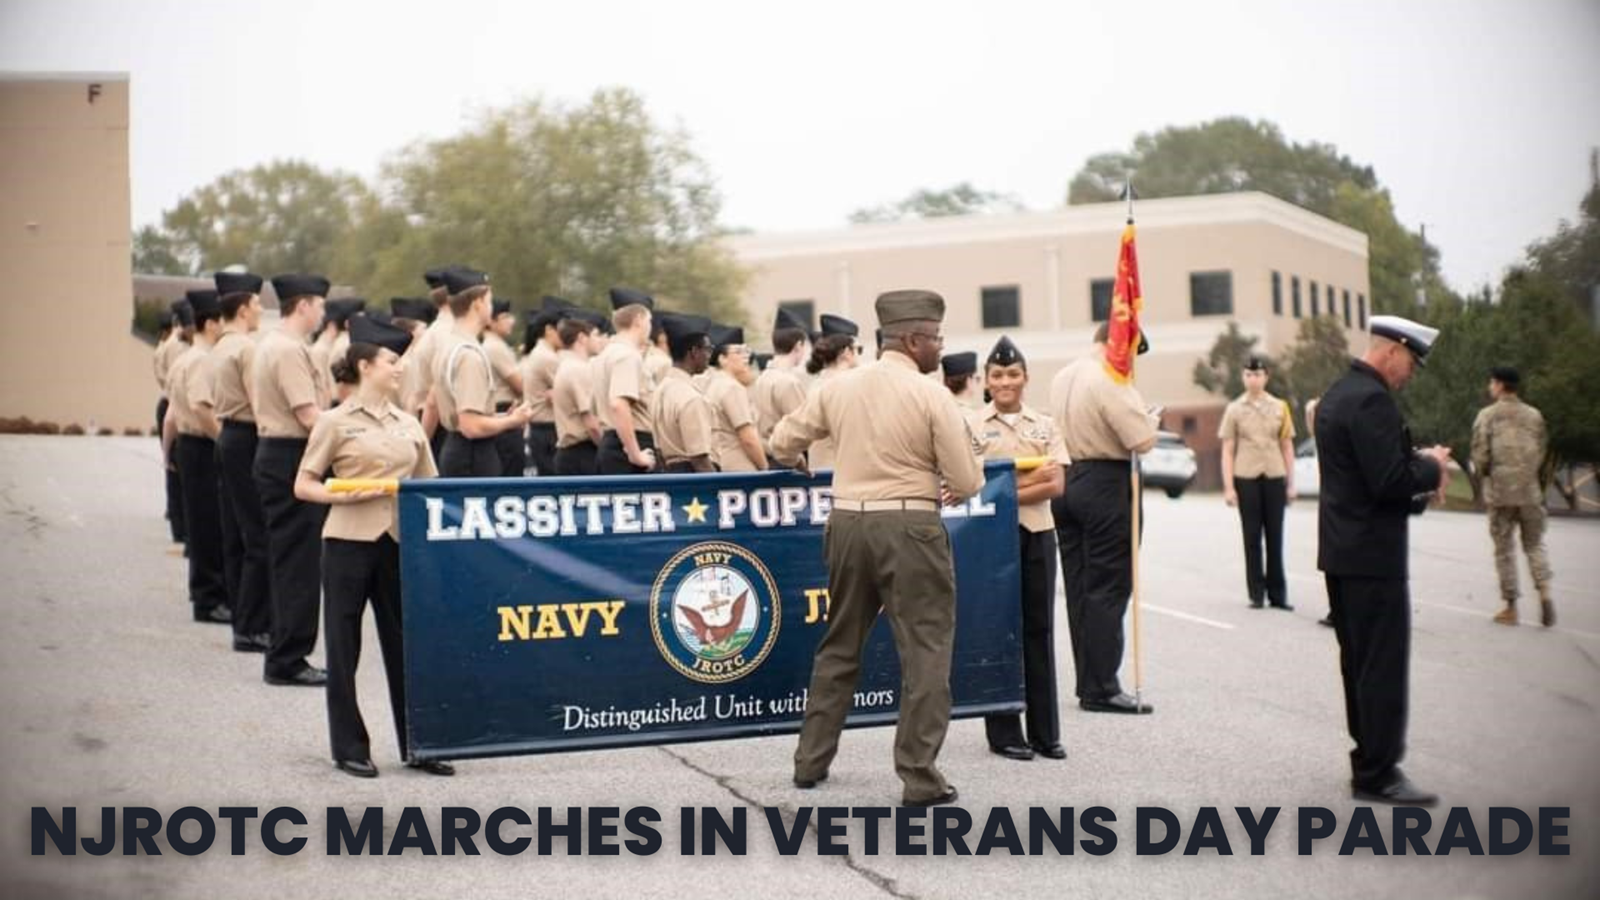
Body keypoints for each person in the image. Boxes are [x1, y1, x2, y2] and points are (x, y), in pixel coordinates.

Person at [771, 289, 984, 808]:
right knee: (926, 651)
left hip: (845, 523)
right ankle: (919, 775)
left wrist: (800, 460)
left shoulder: (839, 387)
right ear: (913, 339)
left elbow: (780, 441)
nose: (940, 348)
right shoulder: (932, 394)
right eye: (936, 339)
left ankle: (809, 762)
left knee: (840, 643)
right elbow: (966, 479)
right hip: (911, 528)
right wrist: (953, 479)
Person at [294, 315, 453, 779]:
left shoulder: (408, 423)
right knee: (344, 649)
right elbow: (304, 484)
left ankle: (421, 744)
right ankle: (349, 747)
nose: (399, 368)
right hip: (347, 543)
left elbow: (429, 486)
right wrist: (343, 492)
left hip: (397, 544)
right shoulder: (334, 422)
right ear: (365, 365)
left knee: (408, 646)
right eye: (391, 360)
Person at [1316, 314, 1451, 806]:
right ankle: (1379, 772)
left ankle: (1367, 759)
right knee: (1382, 666)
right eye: (1410, 362)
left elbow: (1360, 480)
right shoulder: (1371, 400)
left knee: (1360, 665)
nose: (1409, 373)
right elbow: (1388, 478)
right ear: (1392, 349)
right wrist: (1431, 464)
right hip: (1372, 558)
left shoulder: (1337, 394)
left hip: (1344, 552)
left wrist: (1417, 493)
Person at [1049, 324, 1157, 714]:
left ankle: (1088, 680)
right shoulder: (1110, 377)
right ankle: (1102, 686)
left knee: (1079, 588)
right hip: (1106, 482)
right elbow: (1140, 439)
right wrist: (1151, 420)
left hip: (1068, 478)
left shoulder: (1065, 374)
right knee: (1108, 587)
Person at [970, 336, 1069, 762]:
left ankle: (1046, 733)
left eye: (1012, 374)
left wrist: (1005, 488)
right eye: (997, 375)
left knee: (1039, 631)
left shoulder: (1044, 425)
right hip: (991, 542)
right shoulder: (972, 427)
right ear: (986, 382)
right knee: (998, 632)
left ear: (1025, 378)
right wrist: (1027, 483)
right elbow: (972, 487)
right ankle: (1005, 732)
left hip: (1037, 535)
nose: (1005, 381)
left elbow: (1057, 484)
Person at [253, 273, 333, 687]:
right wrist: (349, 432)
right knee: (298, 565)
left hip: (280, 453)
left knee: (291, 561)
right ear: (303, 305)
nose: (323, 312)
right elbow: (308, 415)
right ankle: (288, 658)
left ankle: (286, 652)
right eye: (320, 305)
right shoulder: (286, 350)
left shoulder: (279, 344)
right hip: (289, 454)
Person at [211, 270, 272, 652]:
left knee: (237, 533)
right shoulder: (246, 348)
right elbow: (259, 400)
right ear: (245, 308)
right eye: (257, 302)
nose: (261, 308)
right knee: (259, 537)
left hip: (227, 435)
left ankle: (241, 616)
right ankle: (252, 626)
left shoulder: (219, 346)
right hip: (248, 436)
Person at [163, 288, 231, 625]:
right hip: (203, 445)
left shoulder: (183, 359)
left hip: (188, 445)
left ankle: (202, 591)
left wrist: (168, 451)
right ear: (211, 324)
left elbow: (172, 415)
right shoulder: (203, 361)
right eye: (221, 321)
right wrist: (225, 441)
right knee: (208, 524)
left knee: (200, 521)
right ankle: (209, 599)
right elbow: (202, 408)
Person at [1471, 366, 1554, 627]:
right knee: (1534, 545)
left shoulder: (1488, 416)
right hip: (1529, 492)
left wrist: (1484, 472)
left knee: (1504, 549)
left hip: (1500, 493)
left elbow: (1481, 454)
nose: (1489, 387)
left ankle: (1511, 607)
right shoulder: (1534, 416)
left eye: (1491, 383)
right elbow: (1541, 451)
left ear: (1498, 385)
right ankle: (1544, 594)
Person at [429, 268, 533, 477]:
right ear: (477, 303)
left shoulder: (449, 344)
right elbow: (471, 426)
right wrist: (512, 421)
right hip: (472, 454)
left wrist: (501, 416)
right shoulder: (469, 355)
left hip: (459, 449)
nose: (491, 307)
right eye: (489, 301)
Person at [1220, 356, 1297, 610]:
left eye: (1258, 374)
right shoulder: (1234, 409)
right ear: (1243, 377)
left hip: (1274, 475)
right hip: (1247, 476)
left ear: (1266, 377)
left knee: (1275, 536)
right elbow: (1228, 449)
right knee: (1251, 537)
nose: (1253, 379)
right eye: (1249, 375)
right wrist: (1229, 487)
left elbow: (1287, 446)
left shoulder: (1280, 407)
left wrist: (1291, 483)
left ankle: (1278, 594)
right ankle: (1256, 593)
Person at [593, 296, 658, 475]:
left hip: (615, 443)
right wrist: (636, 454)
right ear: (638, 320)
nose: (651, 327)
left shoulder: (605, 354)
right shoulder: (627, 356)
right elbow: (618, 404)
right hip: (628, 447)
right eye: (649, 321)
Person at [650, 314, 717, 473]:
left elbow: (659, 450)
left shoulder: (661, 389)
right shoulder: (690, 397)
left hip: (671, 473)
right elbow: (700, 459)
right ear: (694, 352)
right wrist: (718, 489)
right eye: (707, 349)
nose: (709, 356)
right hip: (694, 476)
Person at [703, 324, 767, 472]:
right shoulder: (732, 388)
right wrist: (764, 467)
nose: (745, 357)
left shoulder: (714, 384)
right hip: (740, 465)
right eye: (738, 352)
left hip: (722, 462)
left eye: (746, 351)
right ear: (722, 359)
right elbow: (748, 438)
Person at [156, 300, 193, 547]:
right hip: (178, 407)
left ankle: (178, 521)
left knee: (176, 471)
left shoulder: (166, 345)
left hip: (170, 403)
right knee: (180, 473)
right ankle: (181, 526)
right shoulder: (180, 349)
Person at [802, 314, 861, 470]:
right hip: (840, 474)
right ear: (846, 352)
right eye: (858, 349)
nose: (859, 355)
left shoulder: (818, 384)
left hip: (821, 474)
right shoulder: (846, 387)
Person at [520, 297, 572, 475]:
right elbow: (570, 394)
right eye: (561, 329)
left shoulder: (544, 353)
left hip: (544, 429)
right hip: (547, 430)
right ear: (549, 329)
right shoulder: (546, 357)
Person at [552, 312, 607, 475]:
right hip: (581, 454)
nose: (599, 340)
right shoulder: (578, 369)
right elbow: (591, 424)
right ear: (582, 338)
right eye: (595, 335)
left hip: (574, 454)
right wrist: (607, 452)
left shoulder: (569, 365)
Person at [753, 308, 810, 454]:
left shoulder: (762, 377)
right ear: (798, 345)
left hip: (768, 453)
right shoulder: (789, 382)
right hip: (789, 457)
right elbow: (802, 428)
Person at [482, 298, 527, 477]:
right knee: (511, 472)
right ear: (491, 322)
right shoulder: (495, 347)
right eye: (505, 317)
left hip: (502, 413)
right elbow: (520, 384)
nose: (511, 321)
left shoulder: (494, 346)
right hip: (504, 411)